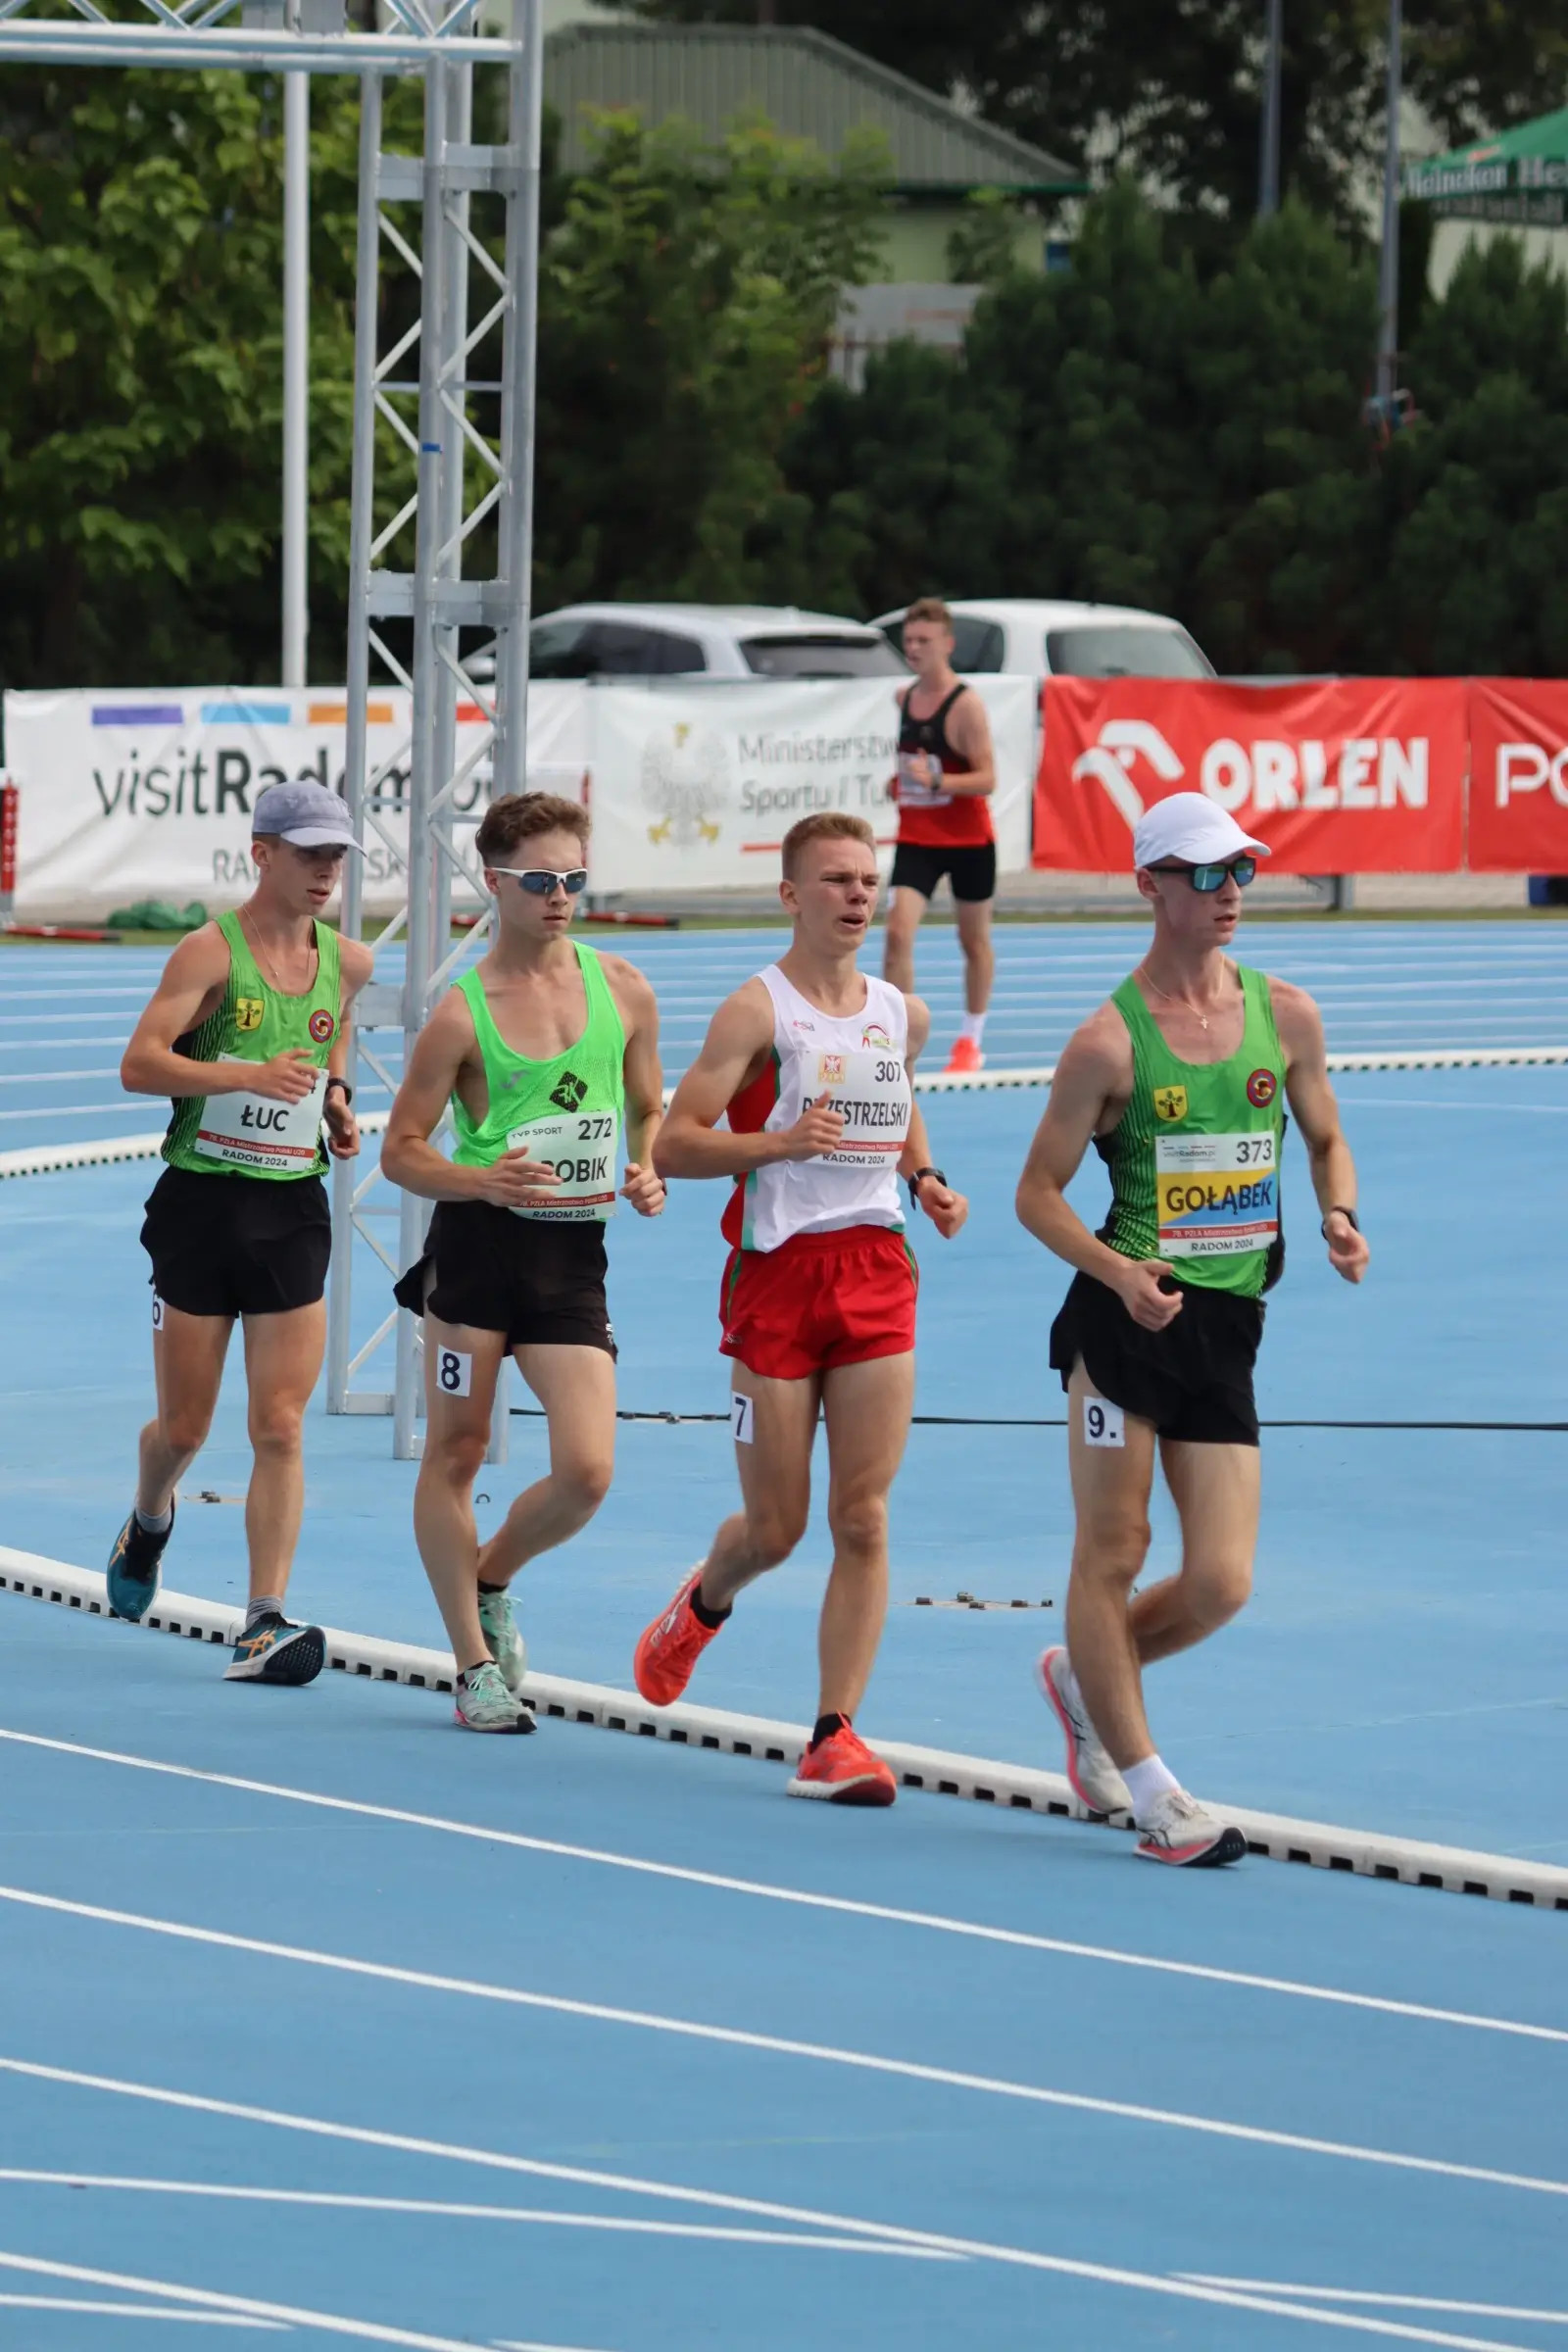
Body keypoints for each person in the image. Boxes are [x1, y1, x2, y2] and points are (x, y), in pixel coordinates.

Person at [1014, 792, 1369, 1867]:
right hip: (1124, 1328)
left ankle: (1083, 1678)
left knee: (1219, 1582)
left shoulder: (1286, 1015)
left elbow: (1325, 1138)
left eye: (1241, 873)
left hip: (1226, 1325)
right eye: (1205, 875)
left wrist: (1339, 1213)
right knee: (1111, 1552)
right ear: (1150, 886)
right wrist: (1120, 1274)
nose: (1229, 895)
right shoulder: (1104, 1044)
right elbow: (1036, 1193)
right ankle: (1157, 1796)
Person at [635, 811, 967, 1803]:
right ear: (790, 895)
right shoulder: (756, 1012)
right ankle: (703, 1601)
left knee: (860, 1516)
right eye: (835, 880)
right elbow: (673, 1144)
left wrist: (928, 1175)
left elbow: (895, 1098)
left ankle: (834, 1735)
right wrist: (775, 1145)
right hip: (777, 1275)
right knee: (776, 1527)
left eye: (867, 880)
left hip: (874, 1266)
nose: (857, 896)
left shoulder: (896, 1010)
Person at [381, 792, 665, 1733]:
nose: (560, 897)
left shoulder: (621, 987)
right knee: (457, 1450)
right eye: (541, 881)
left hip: (572, 1257)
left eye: (575, 880)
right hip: (477, 1253)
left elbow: (649, 1104)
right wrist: (479, 1177)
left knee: (588, 1470)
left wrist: (647, 1164)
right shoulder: (461, 1014)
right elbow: (401, 1151)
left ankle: (492, 1575)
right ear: (494, 883)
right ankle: (471, 1665)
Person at [110, 779, 373, 1683]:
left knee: (282, 1425)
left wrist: (338, 1104)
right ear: (262, 853)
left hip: (292, 1208)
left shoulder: (352, 961)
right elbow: (140, 1065)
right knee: (184, 1430)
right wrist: (243, 1076)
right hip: (201, 1206)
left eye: (337, 856)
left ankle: (263, 1617)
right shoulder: (208, 953)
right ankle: (150, 1518)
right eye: (309, 855)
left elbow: (332, 1048)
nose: (326, 872)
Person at [882, 597, 998, 1076]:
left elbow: (988, 778)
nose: (913, 648)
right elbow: (914, 765)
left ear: (946, 645)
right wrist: (900, 785)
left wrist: (938, 783)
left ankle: (970, 1039)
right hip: (918, 838)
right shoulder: (903, 699)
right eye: (908, 640)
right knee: (896, 933)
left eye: (923, 641)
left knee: (972, 941)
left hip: (969, 841)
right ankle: (897, 1037)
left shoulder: (965, 705)